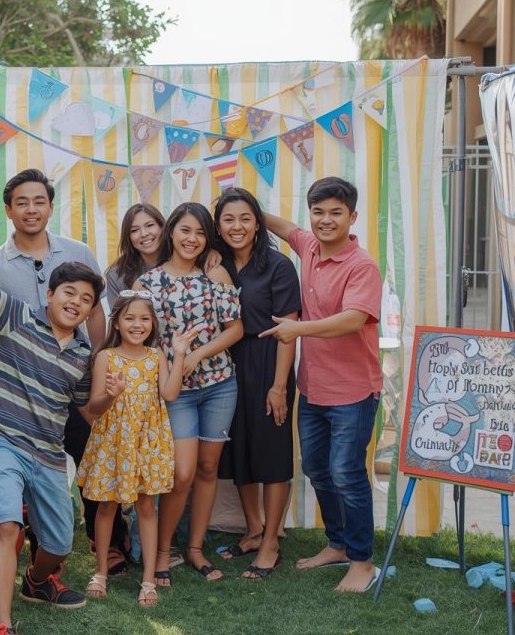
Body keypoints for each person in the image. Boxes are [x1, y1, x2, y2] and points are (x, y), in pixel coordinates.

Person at [0, 176, 110, 635]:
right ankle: (2, 625)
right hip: (2, 442)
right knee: (6, 527)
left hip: (49, 455)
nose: (76, 302)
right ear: (49, 294)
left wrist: (104, 396)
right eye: (68, 293)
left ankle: (36, 579)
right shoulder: (14, 315)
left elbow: (86, 412)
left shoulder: (80, 357)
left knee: (58, 545)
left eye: (86, 300)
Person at [0, 169, 121, 572]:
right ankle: (41, 556)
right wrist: (2, 380)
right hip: (23, 392)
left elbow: (97, 317)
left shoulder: (79, 252)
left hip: (72, 380)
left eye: (39, 201)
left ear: (50, 207)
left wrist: (93, 364)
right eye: (22, 202)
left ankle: (108, 541)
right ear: (8, 209)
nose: (31, 209)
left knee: (92, 454)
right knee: (37, 468)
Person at [262, 176, 382, 593]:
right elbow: (281, 227)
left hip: (353, 392)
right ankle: (339, 544)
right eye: (318, 212)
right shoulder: (309, 246)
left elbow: (353, 320)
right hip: (313, 389)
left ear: (352, 218)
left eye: (335, 213)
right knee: (316, 468)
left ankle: (363, 561)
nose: (325, 220)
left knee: (346, 473)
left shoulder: (361, 265)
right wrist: (240, 208)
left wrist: (298, 329)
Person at [134, 202, 243, 586]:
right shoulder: (147, 285)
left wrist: (196, 354)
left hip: (219, 385)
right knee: (181, 474)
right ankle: (163, 551)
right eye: (185, 230)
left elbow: (234, 329)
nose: (192, 239)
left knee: (208, 469)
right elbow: (143, 341)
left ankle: (195, 548)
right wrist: (175, 368)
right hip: (176, 391)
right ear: (171, 233)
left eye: (200, 232)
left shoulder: (217, 276)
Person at [76, 292, 195, 607]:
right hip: (113, 441)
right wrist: (111, 395)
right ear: (117, 321)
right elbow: (96, 407)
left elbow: (169, 395)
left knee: (146, 507)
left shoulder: (157, 356)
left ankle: (147, 579)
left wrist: (179, 354)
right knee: (107, 506)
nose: (137, 324)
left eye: (144, 318)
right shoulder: (106, 357)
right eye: (130, 318)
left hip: (147, 442)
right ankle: (100, 572)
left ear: (153, 322)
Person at [212, 188, 300, 580]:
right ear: (218, 225)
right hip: (227, 365)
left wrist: (279, 386)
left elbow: (288, 330)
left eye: (245, 218)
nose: (237, 226)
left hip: (268, 363)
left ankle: (271, 544)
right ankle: (252, 530)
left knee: (272, 452)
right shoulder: (216, 264)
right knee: (240, 450)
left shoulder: (279, 266)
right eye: (228, 219)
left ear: (259, 221)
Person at [104, 203, 165, 299]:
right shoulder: (117, 275)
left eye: (149, 225)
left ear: (162, 227)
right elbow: (119, 314)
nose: (144, 234)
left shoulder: (183, 264)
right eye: (134, 230)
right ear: (128, 238)